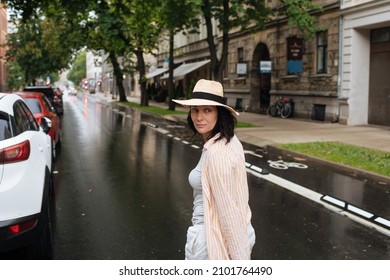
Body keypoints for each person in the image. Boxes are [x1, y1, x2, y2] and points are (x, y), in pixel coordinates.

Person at [173, 79, 255, 260]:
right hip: (238, 229)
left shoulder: (217, 154)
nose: (199, 117)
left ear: (220, 113)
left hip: (210, 240)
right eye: (195, 110)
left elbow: (229, 215)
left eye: (207, 110)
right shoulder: (229, 140)